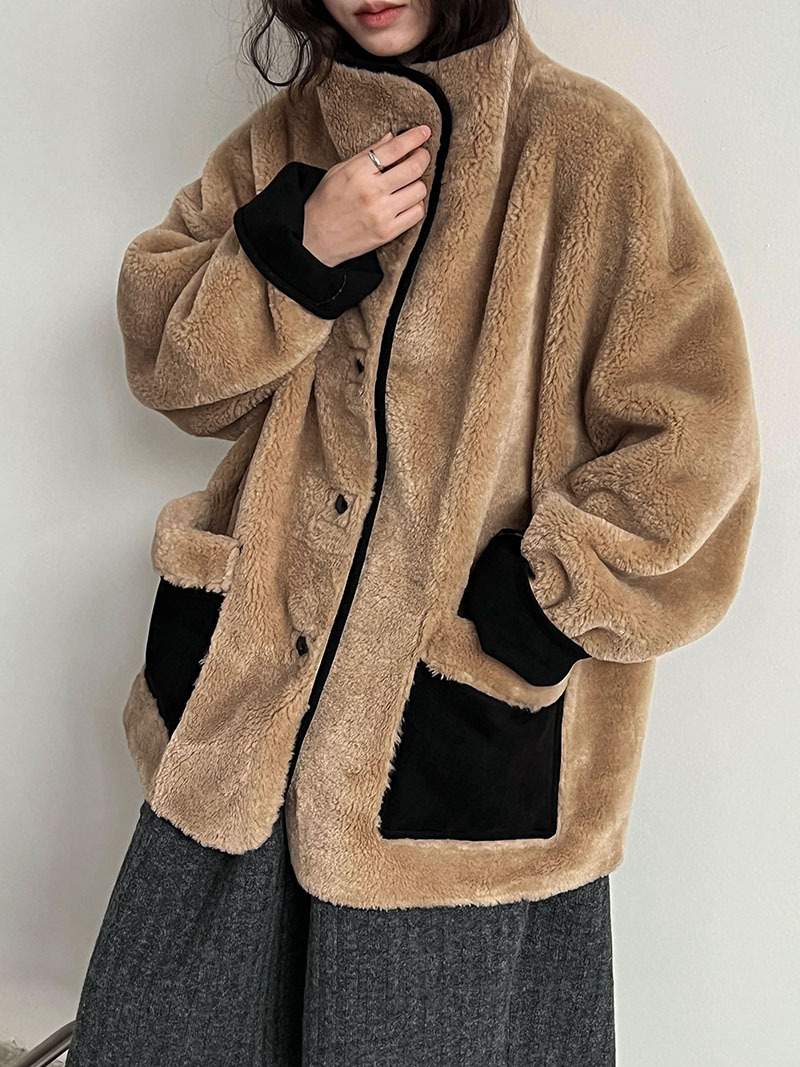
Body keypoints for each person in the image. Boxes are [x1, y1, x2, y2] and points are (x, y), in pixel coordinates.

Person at [65, 1, 761, 1064]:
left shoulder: (590, 149)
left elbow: (699, 437)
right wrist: (299, 245)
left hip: (451, 750)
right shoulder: (287, 138)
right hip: (250, 720)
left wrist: (537, 611)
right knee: (165, 1032)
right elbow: (168, 361)